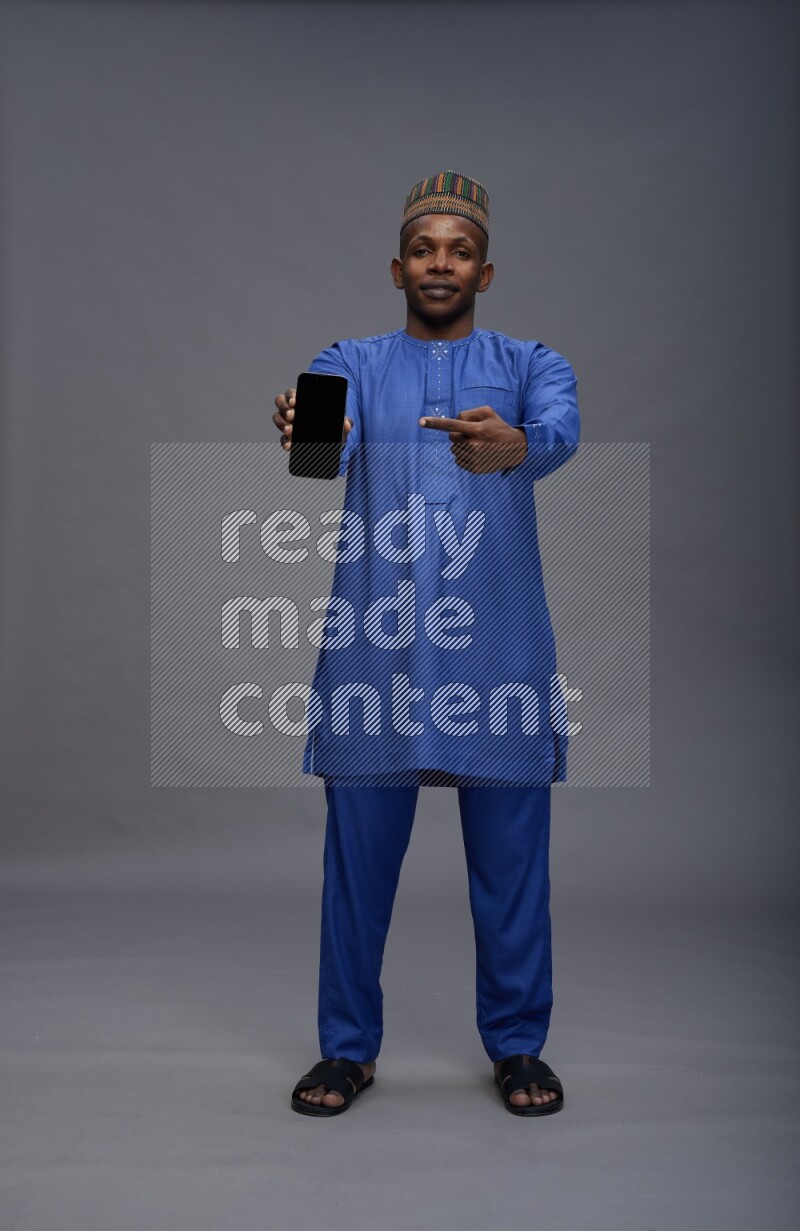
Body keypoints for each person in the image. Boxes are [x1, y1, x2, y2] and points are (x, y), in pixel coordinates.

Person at [272, 171, 580, 1117]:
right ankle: (347, 1050)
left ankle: (519, 1047)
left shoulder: (532, 362)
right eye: (422, 248)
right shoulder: (349, 358)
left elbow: (558, 433)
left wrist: (514, 445)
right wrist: (304, 431)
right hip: (380, 656)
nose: (438, 263)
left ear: (485, 270)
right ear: (396, 266)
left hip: (500, 655)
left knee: (512, 869)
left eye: (456, 249)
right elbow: (321, 449)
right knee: (356, 871)